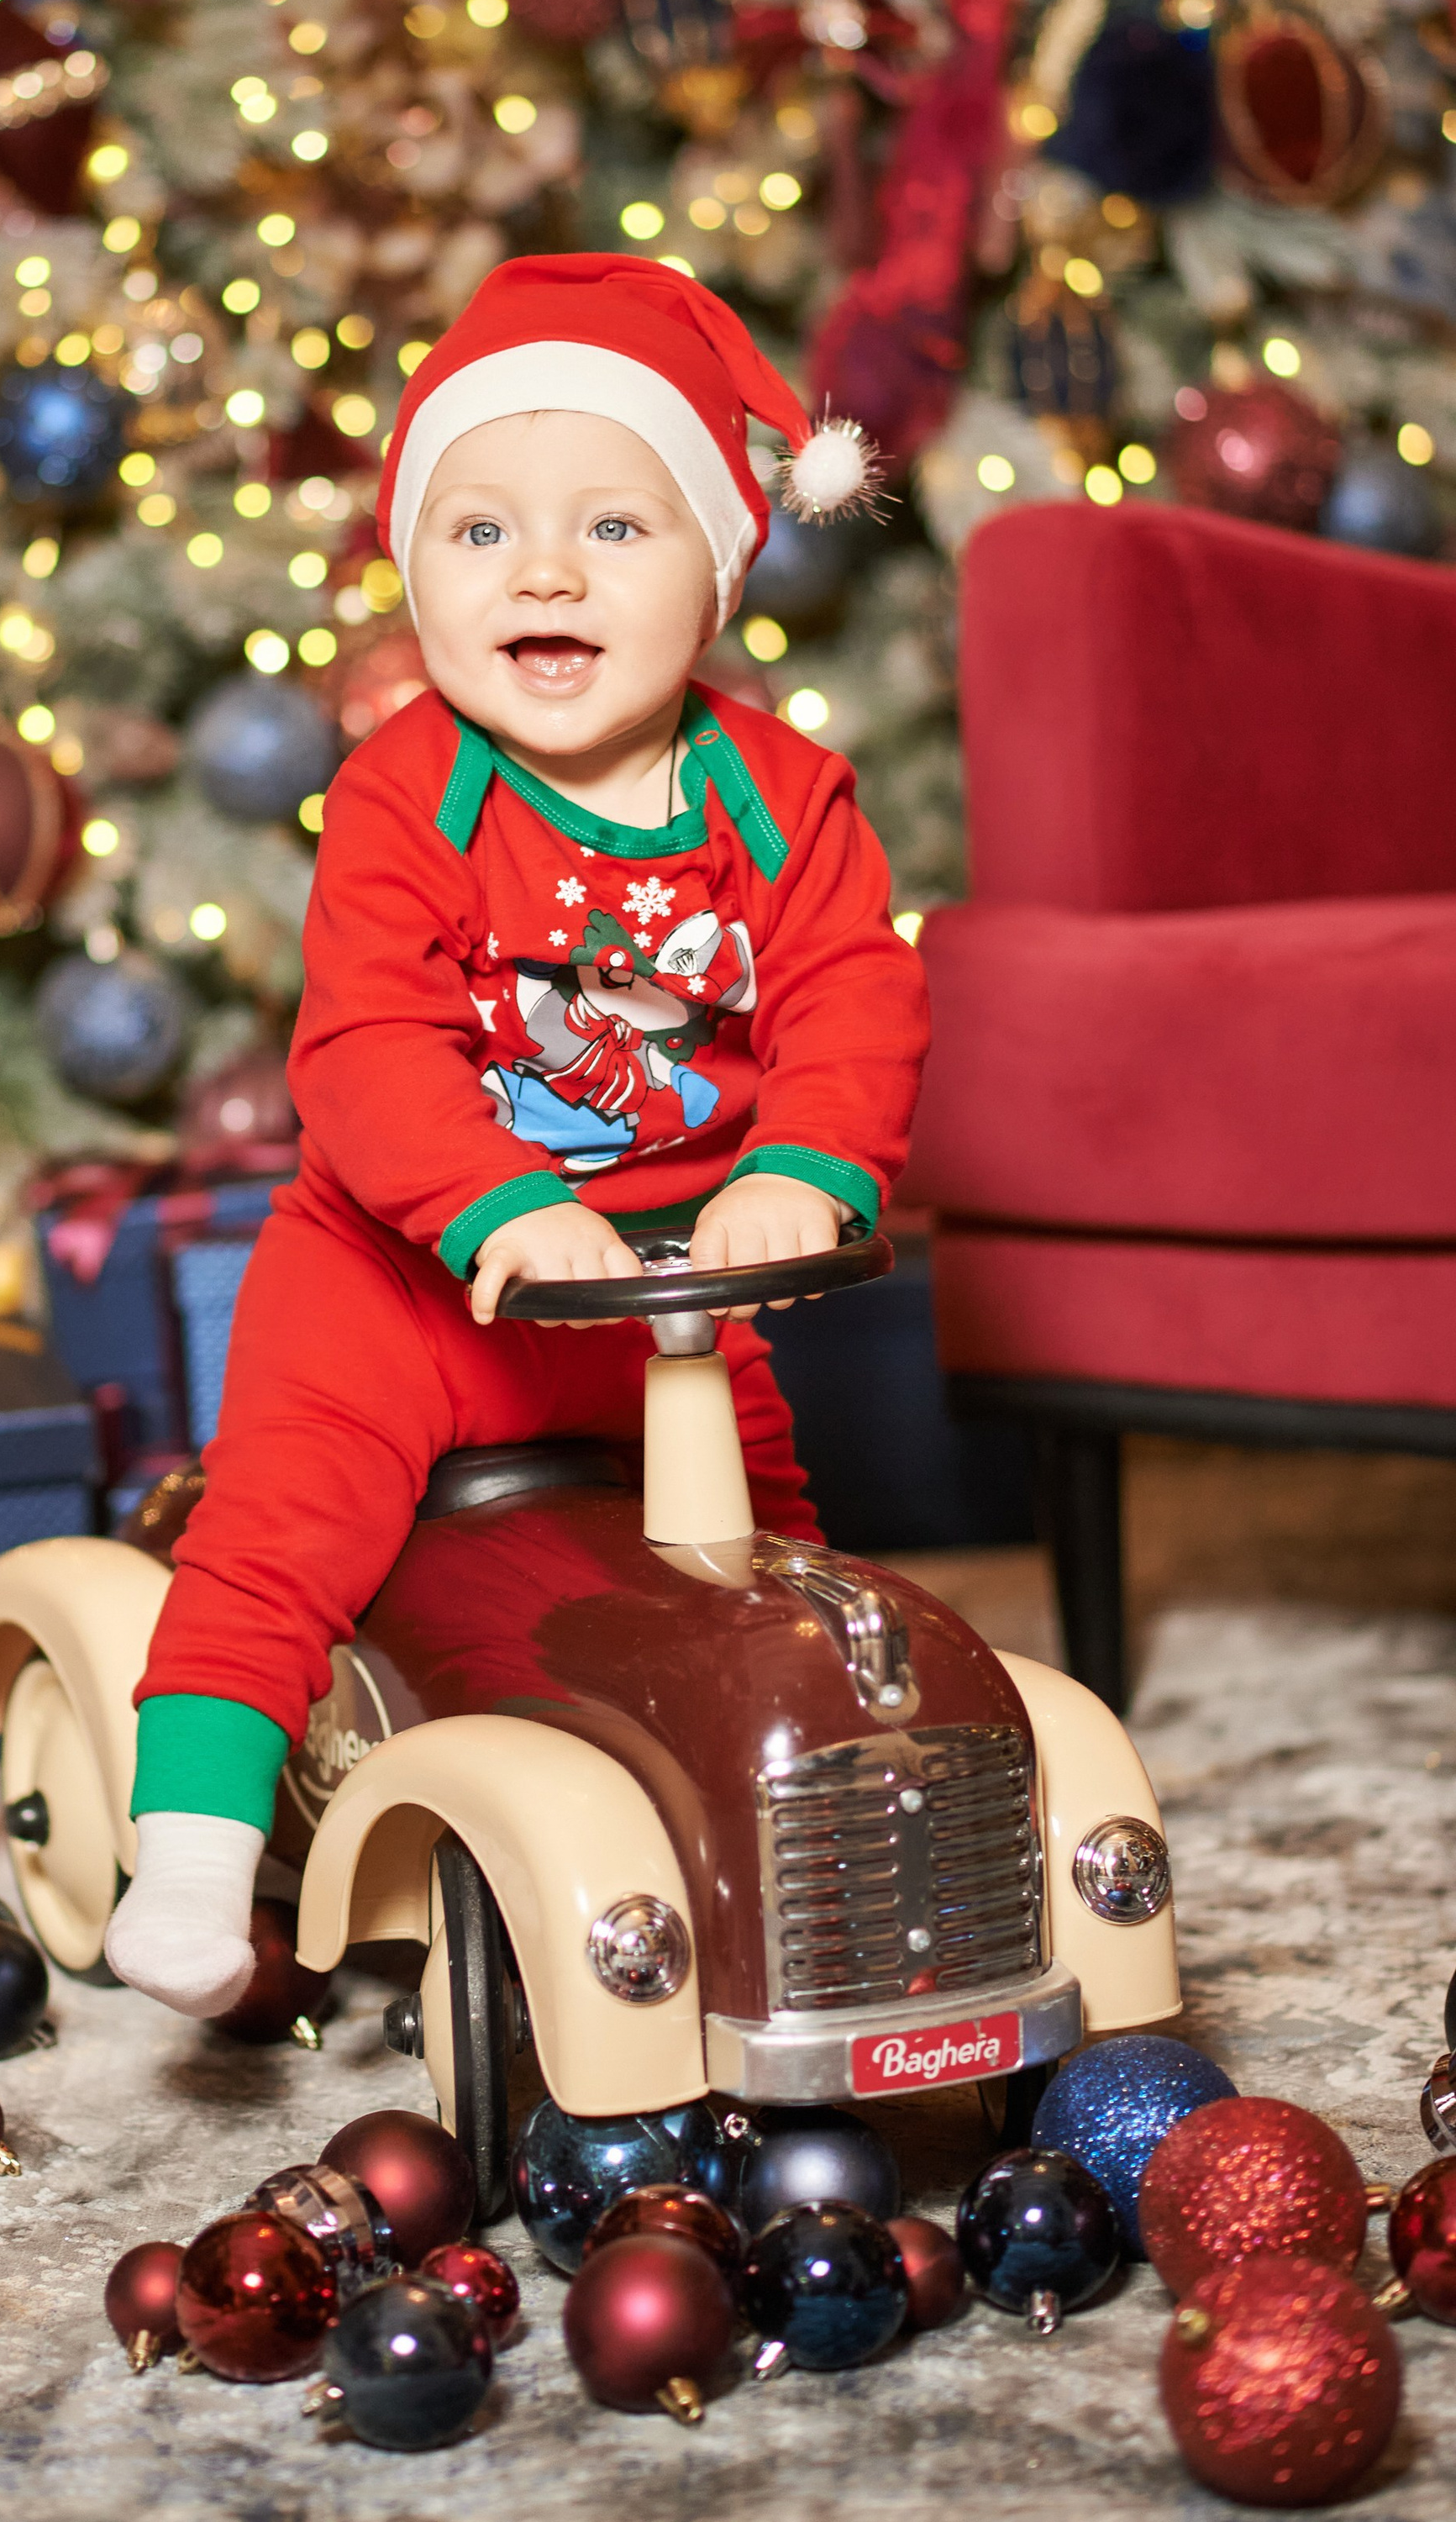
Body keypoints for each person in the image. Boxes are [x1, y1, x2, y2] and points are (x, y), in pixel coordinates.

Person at [102, 252, 931, 2015]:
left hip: (657, 1302)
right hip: (397, 1276)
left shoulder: (781, 802)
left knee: (775, 1575)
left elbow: (850, 995)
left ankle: (785, 1836)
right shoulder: (408, 791)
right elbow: (368, 1041)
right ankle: (184, 1850)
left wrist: (799, 1168)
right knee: (281, 1524)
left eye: (614, 530)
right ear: (414, 575)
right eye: (478, 532)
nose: (541, 570)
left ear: (718, 566)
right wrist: (485, 1199)